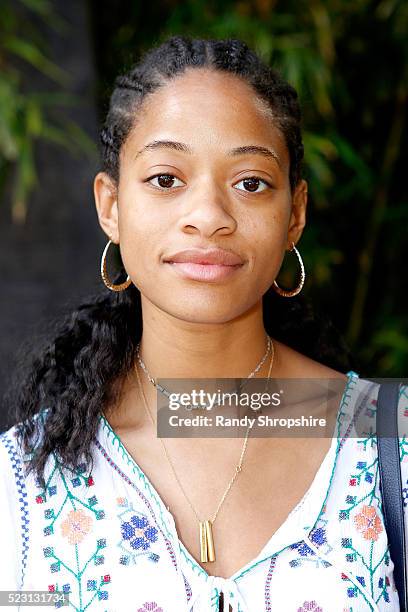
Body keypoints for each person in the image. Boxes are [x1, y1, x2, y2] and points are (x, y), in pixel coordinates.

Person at [0, 35, 406, 612]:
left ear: (294, 214)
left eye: (250, 183)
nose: (209, 216)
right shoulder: (22, 483)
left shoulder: (390, 449)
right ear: (110, 205)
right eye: (166, 179)